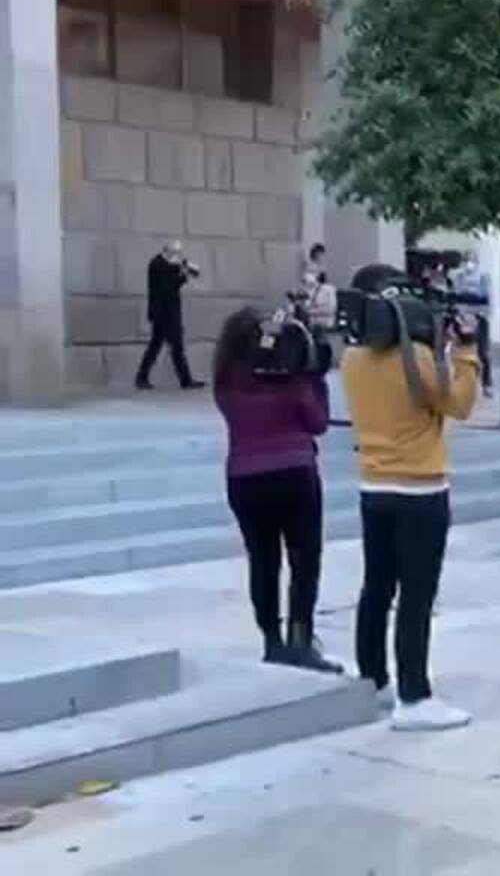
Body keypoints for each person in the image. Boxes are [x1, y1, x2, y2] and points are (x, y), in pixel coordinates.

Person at [341, 264, 480, 731]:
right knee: (417, 595)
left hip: (373, 487)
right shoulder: (415, 359)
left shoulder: (353, 359)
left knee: (376, 587)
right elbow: (458, 403)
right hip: (420, 488)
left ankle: (374, 679)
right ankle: (415, 696)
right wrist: (466, 353)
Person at [212, 308, 338, 674]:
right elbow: (318, 422)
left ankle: (272, 641)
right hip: (295, 474)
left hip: (244, 478)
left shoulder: (227, 381)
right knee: (304, 558)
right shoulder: (292, 381)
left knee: (262, 560)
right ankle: (301, 640)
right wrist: (314, 377)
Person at [136, 241, 203, 390]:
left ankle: (142, 377)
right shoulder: (157, 265)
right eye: (175, 253)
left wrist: (188, 269)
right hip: (163, 313)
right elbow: (168, 287)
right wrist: (183, 276)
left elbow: (194, 272)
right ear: (167, 251)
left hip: (169, 313)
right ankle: (185, 380)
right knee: (172, 346)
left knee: (158, 346)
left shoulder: (169, 264)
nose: (177, 256)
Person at [452, 252, 494, 399]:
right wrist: (462, 312)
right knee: (461, 351)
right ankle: (461, 383)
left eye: (472, 260)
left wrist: (475, 309)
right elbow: (456, 297)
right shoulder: (459, 277)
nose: (470, 264)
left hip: (480, 318)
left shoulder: (483, 277)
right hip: (463, 318)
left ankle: (487, 385)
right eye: (467, 260)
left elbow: (486, 299)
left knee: (483, 352)